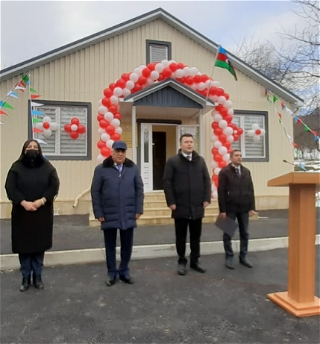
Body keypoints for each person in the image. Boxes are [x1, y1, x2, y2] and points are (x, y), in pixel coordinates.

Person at [5, 139, 60, 292]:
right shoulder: (16, 167)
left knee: (38, 248)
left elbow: (54, 185)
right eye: (29, 147)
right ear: (24, 150)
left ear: (40, 150)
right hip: (22, 215)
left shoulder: (48, 167)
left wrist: (41, 201)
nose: (32, 149)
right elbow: (10, 187)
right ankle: (25, 278)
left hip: (41, 215)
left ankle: (37, 277)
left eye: (35, 147)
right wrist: (23, 202)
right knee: (24, 249)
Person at [91, 140, 144, 287]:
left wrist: (138, 209)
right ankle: (112, 273)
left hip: (128, 213)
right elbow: (96, 192)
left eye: (123, 151)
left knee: (127, 245)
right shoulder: (101, 169)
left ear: (125, 153)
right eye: (117, 151)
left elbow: (139, 189)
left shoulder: (133, 168)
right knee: (110, 245)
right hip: (108, 213)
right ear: (112, 152)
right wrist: (98, 212)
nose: (120, 154)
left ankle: (124, 271)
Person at [163, 133, 211, 276]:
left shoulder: (200, 161)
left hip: (197, 206)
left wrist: (206, 198)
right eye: (186, 142)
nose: (189, 144)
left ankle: (195, 261)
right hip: (180, 206)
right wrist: (171, 201)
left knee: (196, 236)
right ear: (180, 145)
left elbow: (206, 180)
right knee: (181, 236)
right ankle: (182, 261)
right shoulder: (173, 161)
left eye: (191, 142)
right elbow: (167, 182)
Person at [217, 149, 257, 270]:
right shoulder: (225, 172)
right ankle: (229, 257)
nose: (239, 157)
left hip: (244, 207)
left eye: (240, 155)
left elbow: (251, 190)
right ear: (231, 158)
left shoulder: (246, 171)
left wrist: (252, 207)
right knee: (228, 233)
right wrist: (222, 210)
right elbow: (221, 192)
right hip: (230, 208)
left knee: (244, 233)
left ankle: (243, 257)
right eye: (236, 155)